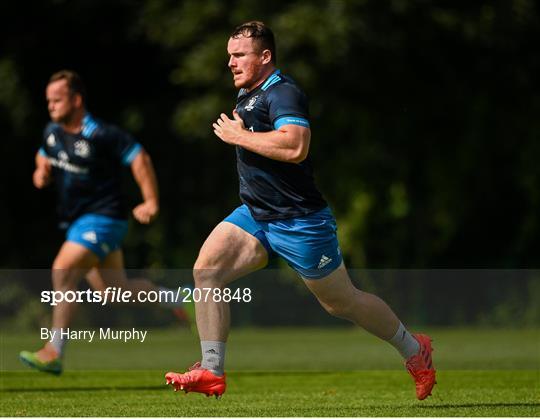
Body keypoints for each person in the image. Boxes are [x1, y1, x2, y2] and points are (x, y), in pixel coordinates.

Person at [165, 22, 436, 400]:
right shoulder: (247, 95)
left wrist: (238, 135)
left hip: (300, 221)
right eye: (229, 55)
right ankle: (212, 370)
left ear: (265, 57)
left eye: (239, 55)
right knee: (206, 271)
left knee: (341, 303)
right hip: (256, 214)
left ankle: (414, 349)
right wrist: (245, 132)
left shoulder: (284, 92)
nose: (230, 62)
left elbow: (296, 147)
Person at [20, 70, 192, 375]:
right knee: (114, 292)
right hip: (77, 223)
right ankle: (177, 299)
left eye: (57, 100)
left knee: (63, 272)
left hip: (104, 218)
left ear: (76, 100)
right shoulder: (52, 131)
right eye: (48, 101)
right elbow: (43, 155)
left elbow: (140, 158)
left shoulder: (100, 133)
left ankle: (53, 352)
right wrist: (40, 172)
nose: (51, 106)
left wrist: (151, 201)